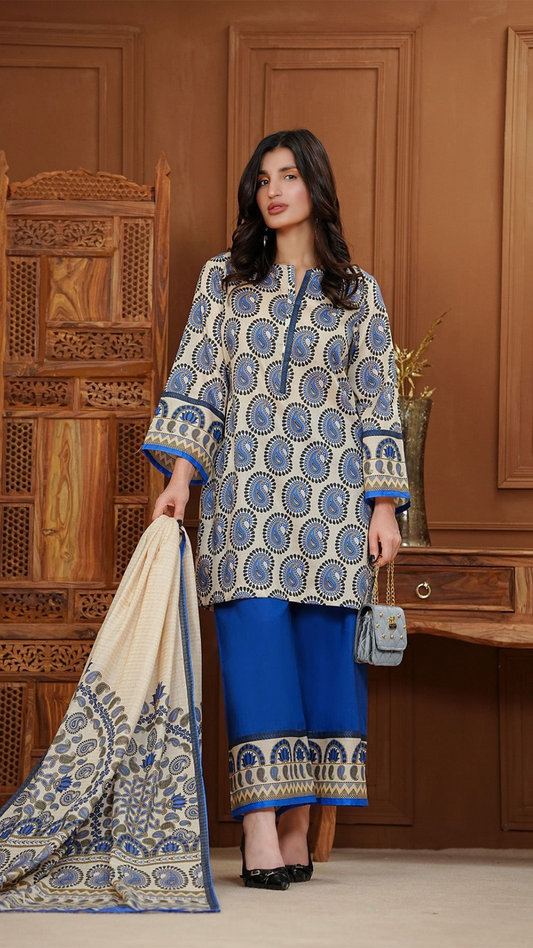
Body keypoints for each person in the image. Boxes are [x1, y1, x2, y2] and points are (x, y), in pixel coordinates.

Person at [142, 128, 410, 890]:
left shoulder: (356, 291)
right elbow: (197, 382)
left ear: (314, 187)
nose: (272, 190)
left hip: (331, 506)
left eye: (287, 175)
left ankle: (296, 827)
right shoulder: (222, 280)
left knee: (322, 660)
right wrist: (180, 480)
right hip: (243, 504)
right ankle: (260, 826)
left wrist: (382, 508)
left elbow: (374, 402)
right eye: (261, 178)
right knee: (255, 648)